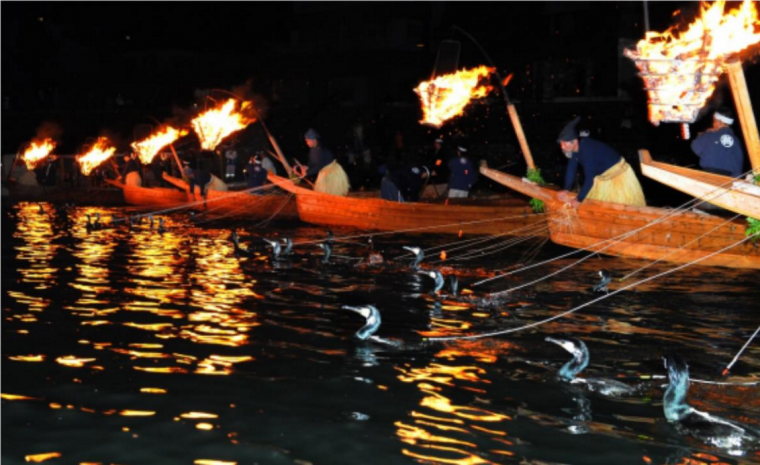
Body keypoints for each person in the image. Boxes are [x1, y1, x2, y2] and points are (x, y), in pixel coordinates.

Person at [556, 116, 646, 208]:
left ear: (574, 141)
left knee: (620, 208)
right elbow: (571, 170)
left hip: (618, 174)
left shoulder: (587, 149)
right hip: (602, 177)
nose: (562, 147)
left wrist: (579, 199)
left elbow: (589, 178)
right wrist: (566, 189)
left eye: (564, 143)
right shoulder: (574, 151)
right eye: (561, 144)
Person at [690, 107, 744, 178]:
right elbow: (738, 163)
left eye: (714, 121)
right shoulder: (736, 140)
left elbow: (695, 146)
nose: (713, 124)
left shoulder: (710, 135)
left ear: (720, 122)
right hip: (727, 179)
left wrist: (705, 133)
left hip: (709, 176)